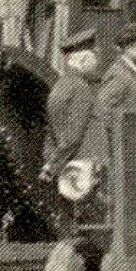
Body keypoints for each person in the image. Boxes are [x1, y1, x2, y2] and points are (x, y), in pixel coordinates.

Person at [39, 26, 100, 182]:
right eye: (94, 58)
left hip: (65, 167)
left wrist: (50, 161)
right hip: (80, 168)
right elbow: (73, 136)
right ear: (84, 60)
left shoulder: (61, 84)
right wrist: (52, 167)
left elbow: (51, 130)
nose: (97, 64)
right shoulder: (80, 88)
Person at [82, 23, 136, 162]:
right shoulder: (119, 75)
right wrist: (116, 144)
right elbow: (102, 112)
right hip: (122, 150)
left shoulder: (134, 73)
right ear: (128, 47)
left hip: (132, 146)